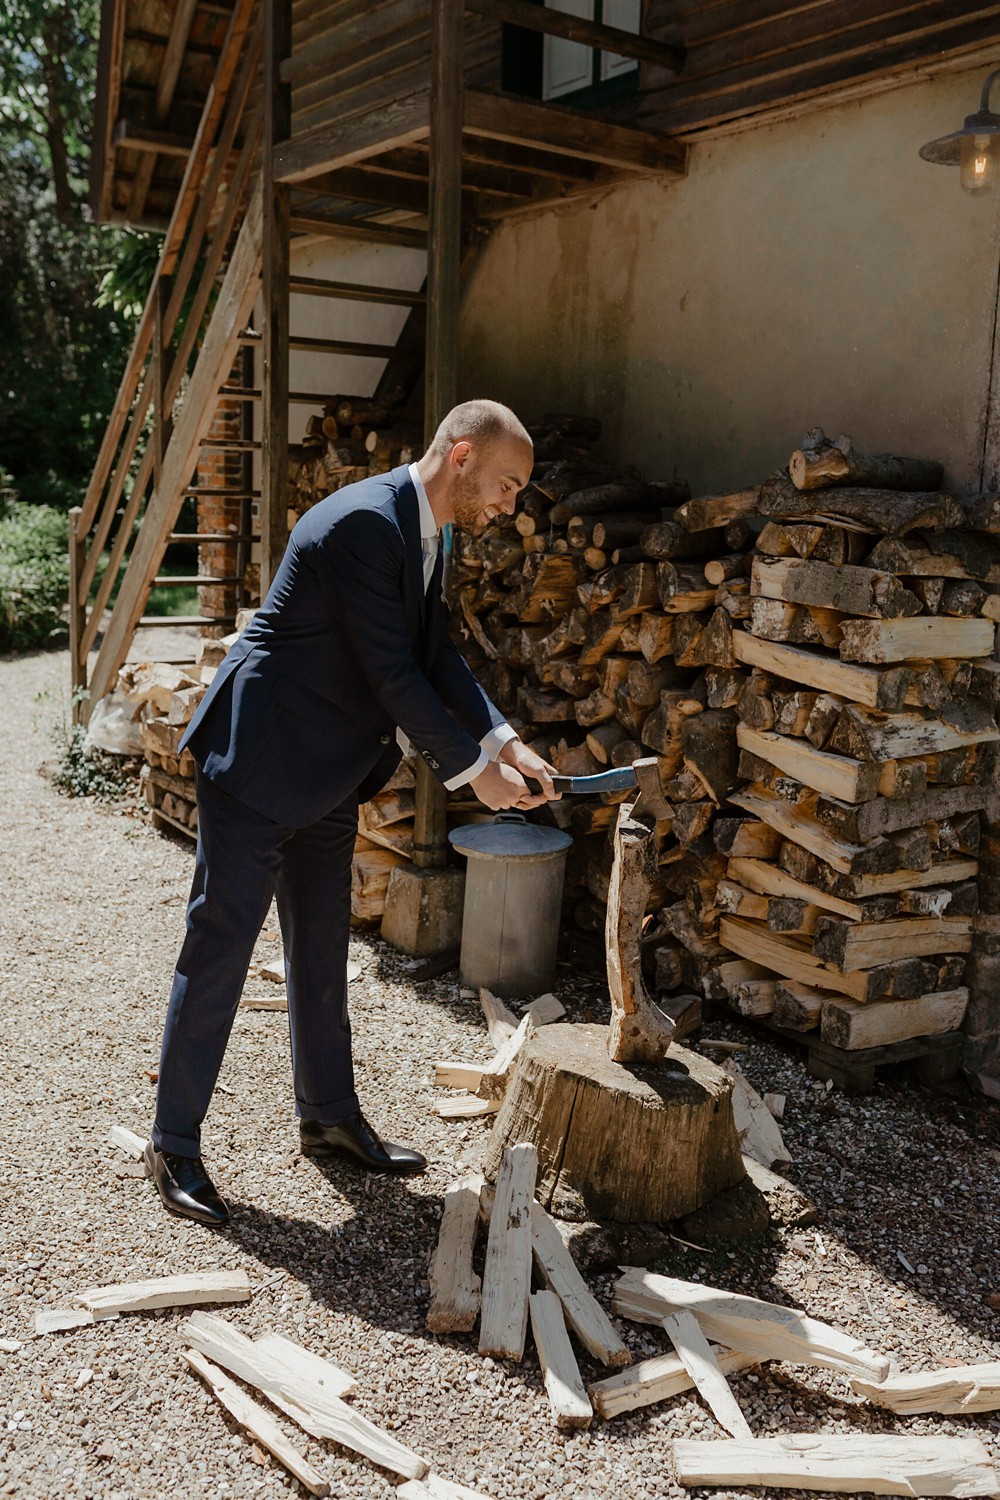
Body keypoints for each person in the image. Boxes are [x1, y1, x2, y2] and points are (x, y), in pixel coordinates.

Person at [143, 399, 560, 1226]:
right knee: (221, 945)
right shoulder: (365, 522)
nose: (509, 506)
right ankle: (174, 1144)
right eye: (508, 485)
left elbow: (434, 652)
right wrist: (476, 774)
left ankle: (328, 1116)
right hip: (262, 756)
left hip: (330, 765)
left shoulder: (428, 528)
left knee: (324, 943)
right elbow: (392, 676)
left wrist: (508, 743)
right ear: (464, 454)